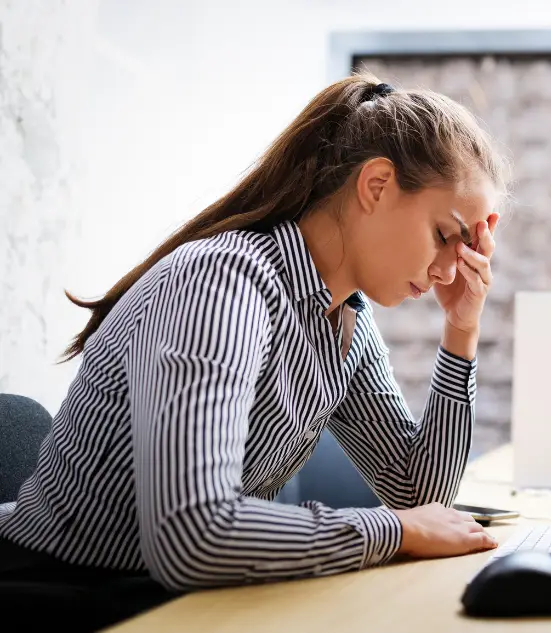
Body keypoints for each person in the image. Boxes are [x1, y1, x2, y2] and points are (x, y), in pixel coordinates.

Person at [0, 73, 509, 628]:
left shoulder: (344, 325)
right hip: (59, 592)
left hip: (176, 597)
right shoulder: (220, 282)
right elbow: (192, 534)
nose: (449, 267)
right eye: (444, 234)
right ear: (377, 185)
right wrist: (397, 532)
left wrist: (462, 329)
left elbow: (417, 493)